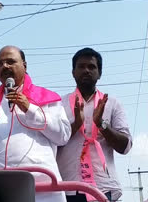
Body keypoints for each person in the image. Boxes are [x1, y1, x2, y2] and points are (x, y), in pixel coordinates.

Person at [0, 46, 71, 202]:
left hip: (40, 188)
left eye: (10, 61)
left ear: (25, 66)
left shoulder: (45, 98)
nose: (4, 66)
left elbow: (63, 136)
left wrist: (29, 108)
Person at [56, 48, 132, 202]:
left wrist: (102, 125)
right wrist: (76, 124)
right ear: (73, 72)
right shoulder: (58, 104)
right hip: (67, 187)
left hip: (103, 187)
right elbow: (52, 141)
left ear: (99, 73)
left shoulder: (112, 103)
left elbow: (125, 146)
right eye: (81, 66)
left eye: (92, 67)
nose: (86, 70)